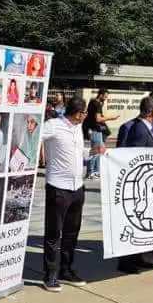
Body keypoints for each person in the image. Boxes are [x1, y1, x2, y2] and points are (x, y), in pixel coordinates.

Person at [39, 98, 103, 292]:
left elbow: (77, 152)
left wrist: (92, 151)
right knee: (53, 234)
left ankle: (65, 269)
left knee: (71, 232)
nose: (86, 117)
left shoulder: (77, 127)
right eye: (85, 113)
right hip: (58, 187)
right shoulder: (53, 126)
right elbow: (32, 136)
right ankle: (50, 274)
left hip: (77, 187)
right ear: (79, 113)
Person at [116, 97, 153, 274]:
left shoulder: (149, 127)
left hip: (146, 182)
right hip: (139, 183)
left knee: (140, 224)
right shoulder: (139, 129)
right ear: (152, 112)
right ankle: (125, 261)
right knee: (133, 221)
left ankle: (137, 257)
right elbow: (136, 157)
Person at [84, 89, 118, 178]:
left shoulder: (92, 102)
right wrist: (111, 118)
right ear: (101, 95)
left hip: (93, 129)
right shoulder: (97, 104)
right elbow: (98, 119)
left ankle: (96, 171)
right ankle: (90, 172)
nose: (106, 98)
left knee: (100, 149)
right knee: (96, 151)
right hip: (95, 129)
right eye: (105, 96)